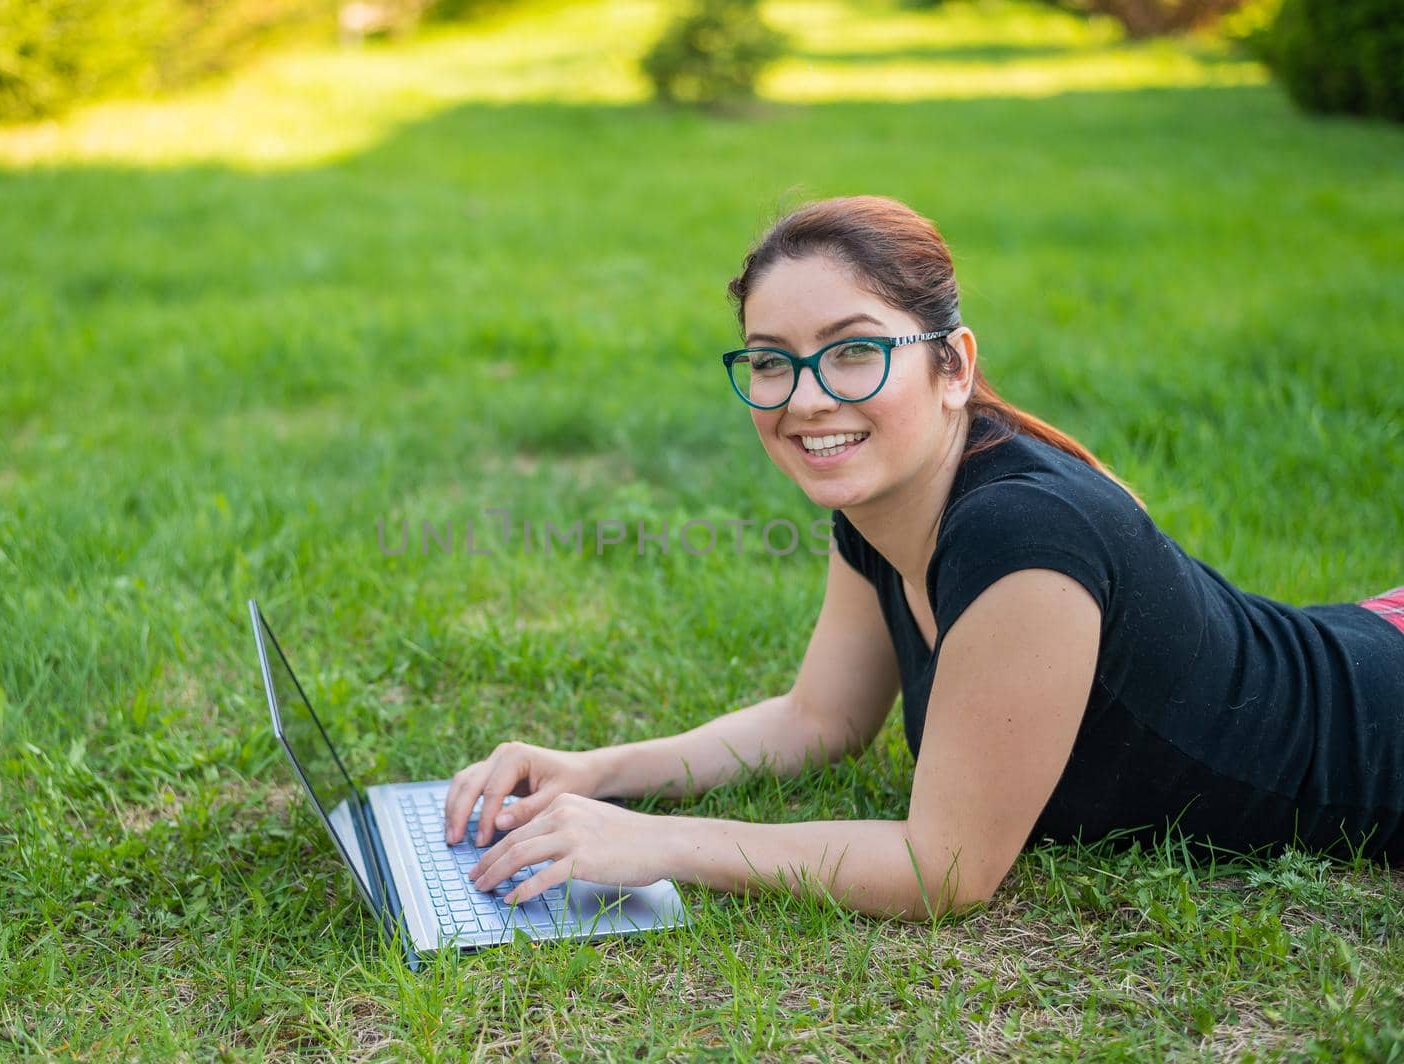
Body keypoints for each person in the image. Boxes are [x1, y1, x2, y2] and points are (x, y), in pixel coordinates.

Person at [442, 195, 1404, 920]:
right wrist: (595, 774)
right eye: (771, 360)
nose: (805, 397)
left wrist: (656, 844)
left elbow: (946, 867)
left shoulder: (1023, 538)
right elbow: (820, 718)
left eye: (852, 351)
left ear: (954, 367)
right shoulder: (883, 501)